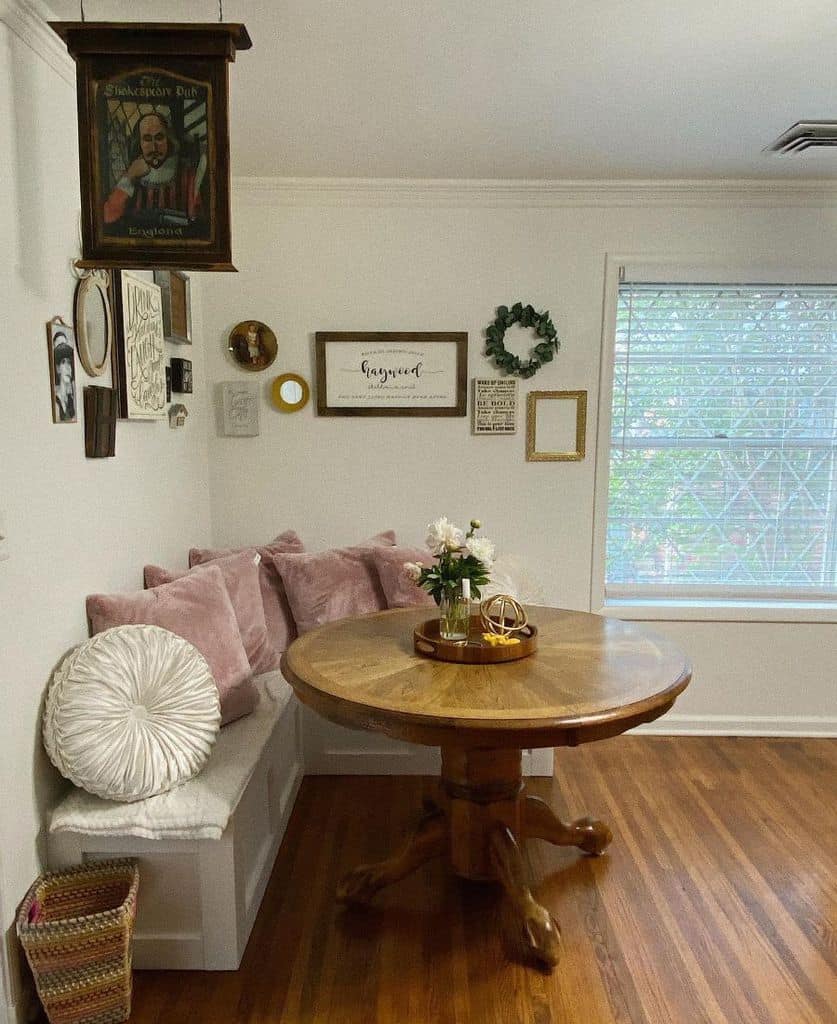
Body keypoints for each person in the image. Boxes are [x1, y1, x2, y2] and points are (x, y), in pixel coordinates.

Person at [103, 111, 203, 229]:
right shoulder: (133, 172)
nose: (154, 147)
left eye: (159, 138)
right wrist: (129, 176)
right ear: (139, 143)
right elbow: (108, 216)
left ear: (169, 140)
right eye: (147, 139)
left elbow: (197, 222)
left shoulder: (187, 175)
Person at [53, 332, 76, 422]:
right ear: (58, 368)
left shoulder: (71, 399)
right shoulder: (56, 402)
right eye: (63, 362)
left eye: (69, 363)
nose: (68, 367)